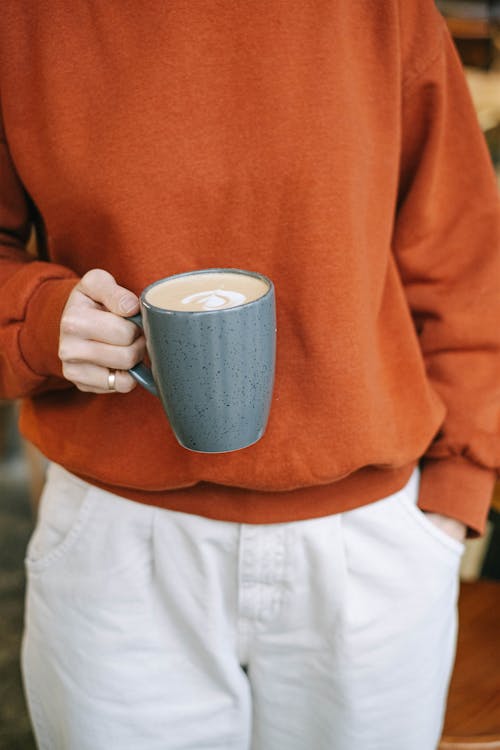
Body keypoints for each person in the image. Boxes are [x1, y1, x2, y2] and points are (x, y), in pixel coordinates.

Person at [1, 2, 499, 748]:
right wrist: (38, 318)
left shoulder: (384, 12)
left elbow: (463, 256)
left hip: (370, 544)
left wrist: (457, 491)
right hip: (117, 550)